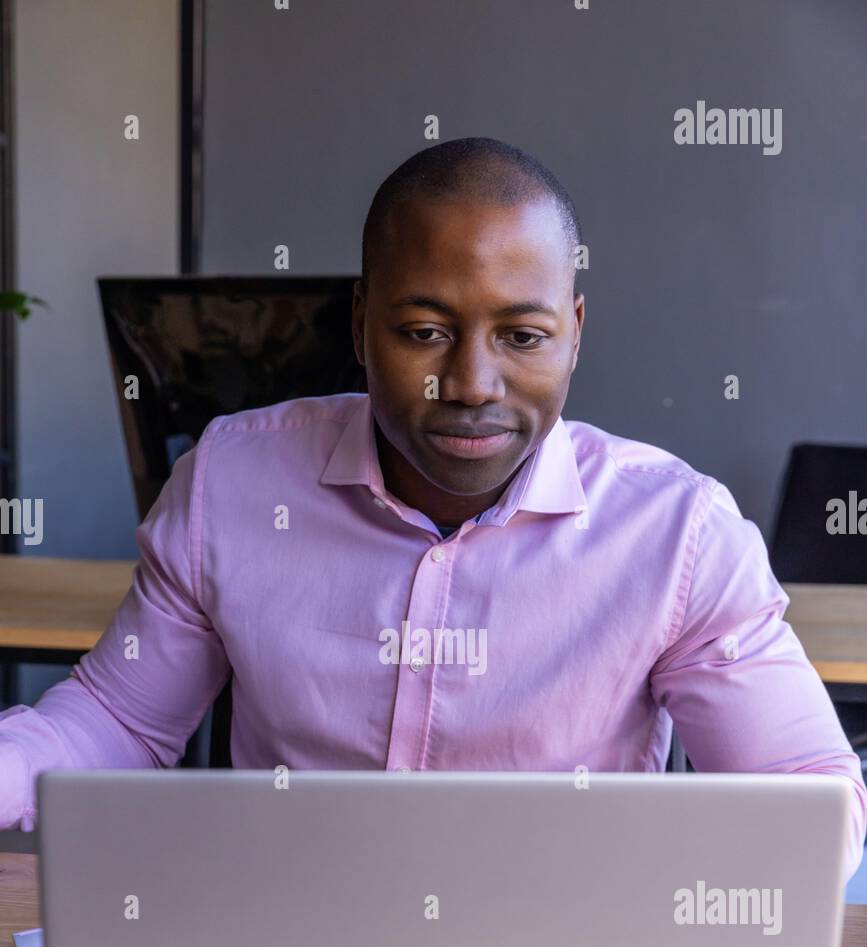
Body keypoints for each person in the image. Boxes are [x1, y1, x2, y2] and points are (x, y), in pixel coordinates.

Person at [1, 136, 865, 876]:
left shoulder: (677, 535)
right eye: (424, 332)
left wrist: (651, 892)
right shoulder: (232, 482)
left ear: (573, 334)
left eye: (521, 337)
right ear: (358, 322)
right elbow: (117, 719)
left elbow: (809, 799)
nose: (470, 385)